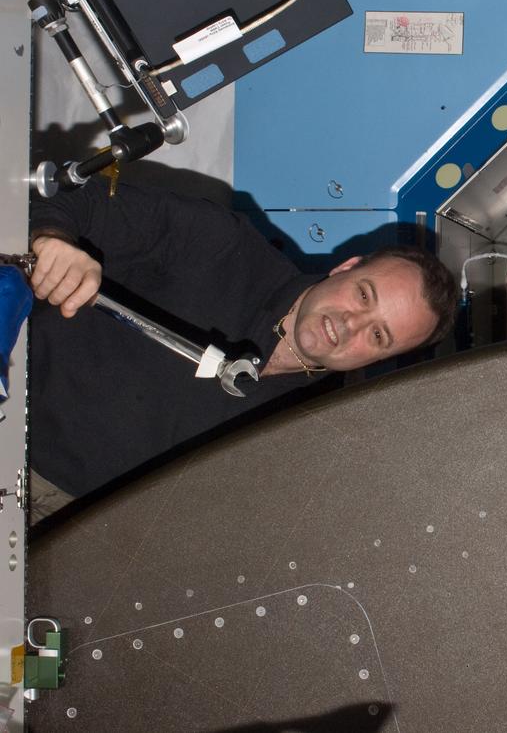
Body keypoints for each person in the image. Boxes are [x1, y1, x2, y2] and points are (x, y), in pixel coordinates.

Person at [26, 177, 457, 522]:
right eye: (364, 295)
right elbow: (70, 196)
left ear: (381, 360)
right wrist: (52, 240)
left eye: (378, 336)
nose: (350, 323)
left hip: (70, 532)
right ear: (346, 267)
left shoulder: (317, 436)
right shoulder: (220, 244)